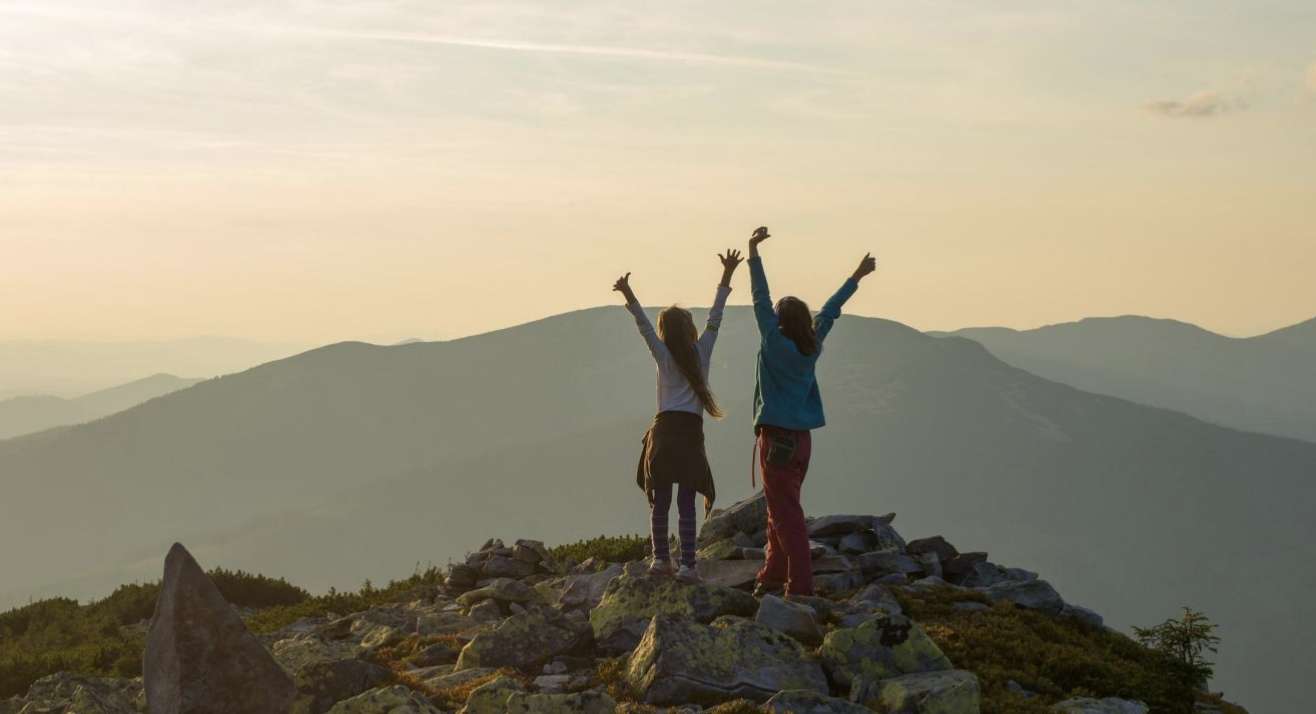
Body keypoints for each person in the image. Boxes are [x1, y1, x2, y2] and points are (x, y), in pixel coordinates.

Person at [746, 226, 876, 597]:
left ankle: (800, 587)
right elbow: (831, 310)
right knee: (781, 508)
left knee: (787, 516)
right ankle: (773, 574)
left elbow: (759, 296)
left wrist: (753, 253)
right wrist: (856, 276)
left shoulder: (773, 341)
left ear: (778, 321)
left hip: (776, 439)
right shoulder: (812, 343)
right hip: (802, 441)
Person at [613, 249, 744, 582]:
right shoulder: (702, 352)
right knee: (687, 502)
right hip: (689, 434)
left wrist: (629, 294)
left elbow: (643, 327)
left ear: (665, 332)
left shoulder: (662, 355)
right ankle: (688, 566)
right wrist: (727, 275)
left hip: (663, 434)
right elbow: (715, 318)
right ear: (689, 330)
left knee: (661, 501)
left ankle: (660, 560)